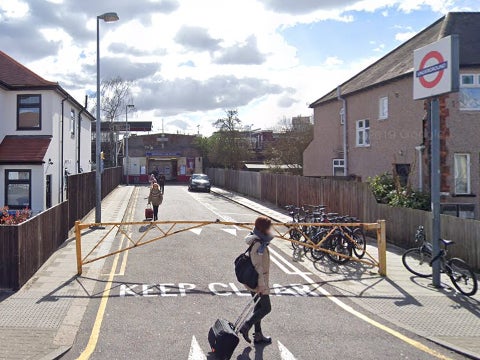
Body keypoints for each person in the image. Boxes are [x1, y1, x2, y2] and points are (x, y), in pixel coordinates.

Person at [239, 216, 273, 345]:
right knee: (266, 308)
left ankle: (258, 335)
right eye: (269, 227)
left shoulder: (259, 240)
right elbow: (257, 266)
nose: (271, 229)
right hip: (258, 282)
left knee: (258, 307)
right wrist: (262, 285)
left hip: (255, 281)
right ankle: (246, 326)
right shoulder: (258, 244)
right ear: (264, 228)